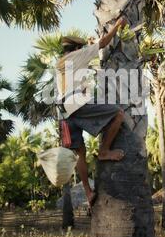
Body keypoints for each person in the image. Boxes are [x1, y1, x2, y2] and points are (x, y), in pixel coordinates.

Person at [55, 17, 128, 207]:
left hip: (63, 113)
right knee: (118, 114)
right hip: (78, 104)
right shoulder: (78, 55)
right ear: (77, 48)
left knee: (80, 153)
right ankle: (104, 151)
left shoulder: (61, 63)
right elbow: (103, 43)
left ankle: (88, 192)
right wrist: (117, 25)